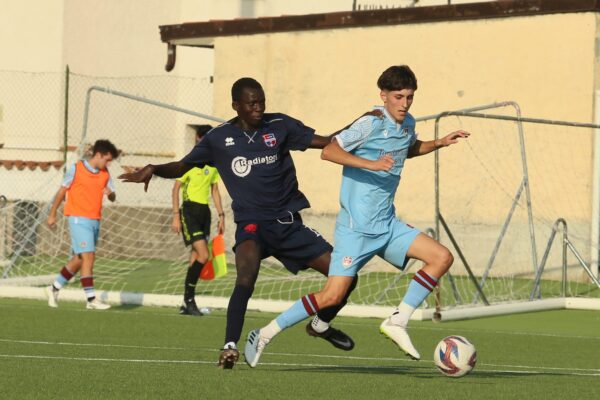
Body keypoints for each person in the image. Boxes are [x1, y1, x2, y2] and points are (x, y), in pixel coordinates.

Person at [119, 78, 371, 369]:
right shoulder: (218, 139)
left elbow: (328, 141)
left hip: (288, 224)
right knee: (245, 277)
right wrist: (154, 169)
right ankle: (229, 346)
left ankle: (321, 325)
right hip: (252, 225)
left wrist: (362, 123)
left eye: (262, 101)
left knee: (346, 276)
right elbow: (183, 166)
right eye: (252, 103)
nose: (259, 108)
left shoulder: (279, 126)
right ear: (236, 106)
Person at [244, 65, 470, 368]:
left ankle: (397, 322)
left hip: (387, 225)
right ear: (384, 96)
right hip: (356, 230)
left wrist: (438, 143)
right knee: (331, 297)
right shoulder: (370, 123)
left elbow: (408, 148)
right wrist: (370, 164)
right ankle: (264, 334)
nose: (404, 103)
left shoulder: (407, 123)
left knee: (441, 257)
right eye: (399, 97)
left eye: (410, 97)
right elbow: (330, 152)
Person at [45, 139, 120, 310]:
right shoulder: (77, 168)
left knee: (79, 259)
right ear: (99, 155)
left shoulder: (105, 173)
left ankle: (54, 288)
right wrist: (52, 214)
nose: (108, 163)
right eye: (107, 159)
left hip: (95, 220)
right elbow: (62, 191)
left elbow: (113, 195)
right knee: (89, 257)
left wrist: (110, 194)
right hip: (78, 218)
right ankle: (91, 299)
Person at [171, 124, 225, 316]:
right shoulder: (189, 162)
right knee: (203, 255)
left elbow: (215, 190)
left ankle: (187, 303)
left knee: (195, 257)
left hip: (205, 212)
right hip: (189, 211)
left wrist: (221, 215)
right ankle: (189, 300)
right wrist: (176, 216)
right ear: (198, 139)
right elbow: (176, 188)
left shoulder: (212, 164)